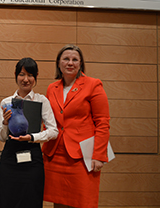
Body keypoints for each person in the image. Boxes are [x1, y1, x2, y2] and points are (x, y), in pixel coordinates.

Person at [42, 44, 110, 208]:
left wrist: (99, 155)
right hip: (55, 154)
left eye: (74, 59)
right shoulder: (52, 88)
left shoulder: (94, 85)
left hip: (82, 156)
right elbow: (48, 120)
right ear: (59, 63)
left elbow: (103, 122)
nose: (70, 63)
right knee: (58, 202)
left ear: (81, 64)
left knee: (82, 202)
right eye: (66, 59)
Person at [0, 57, 58, 208]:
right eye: (22, 74)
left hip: (33, 158)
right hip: (10, 159)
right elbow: (2, 137)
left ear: (36, 77)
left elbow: (54, 131)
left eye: (30, 75)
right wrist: (5, 123)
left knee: (31, 200)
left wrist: (32, 137)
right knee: (7, 200)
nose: (26, 79)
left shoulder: (42, 101)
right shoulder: (6, 102)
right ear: (16, 75)